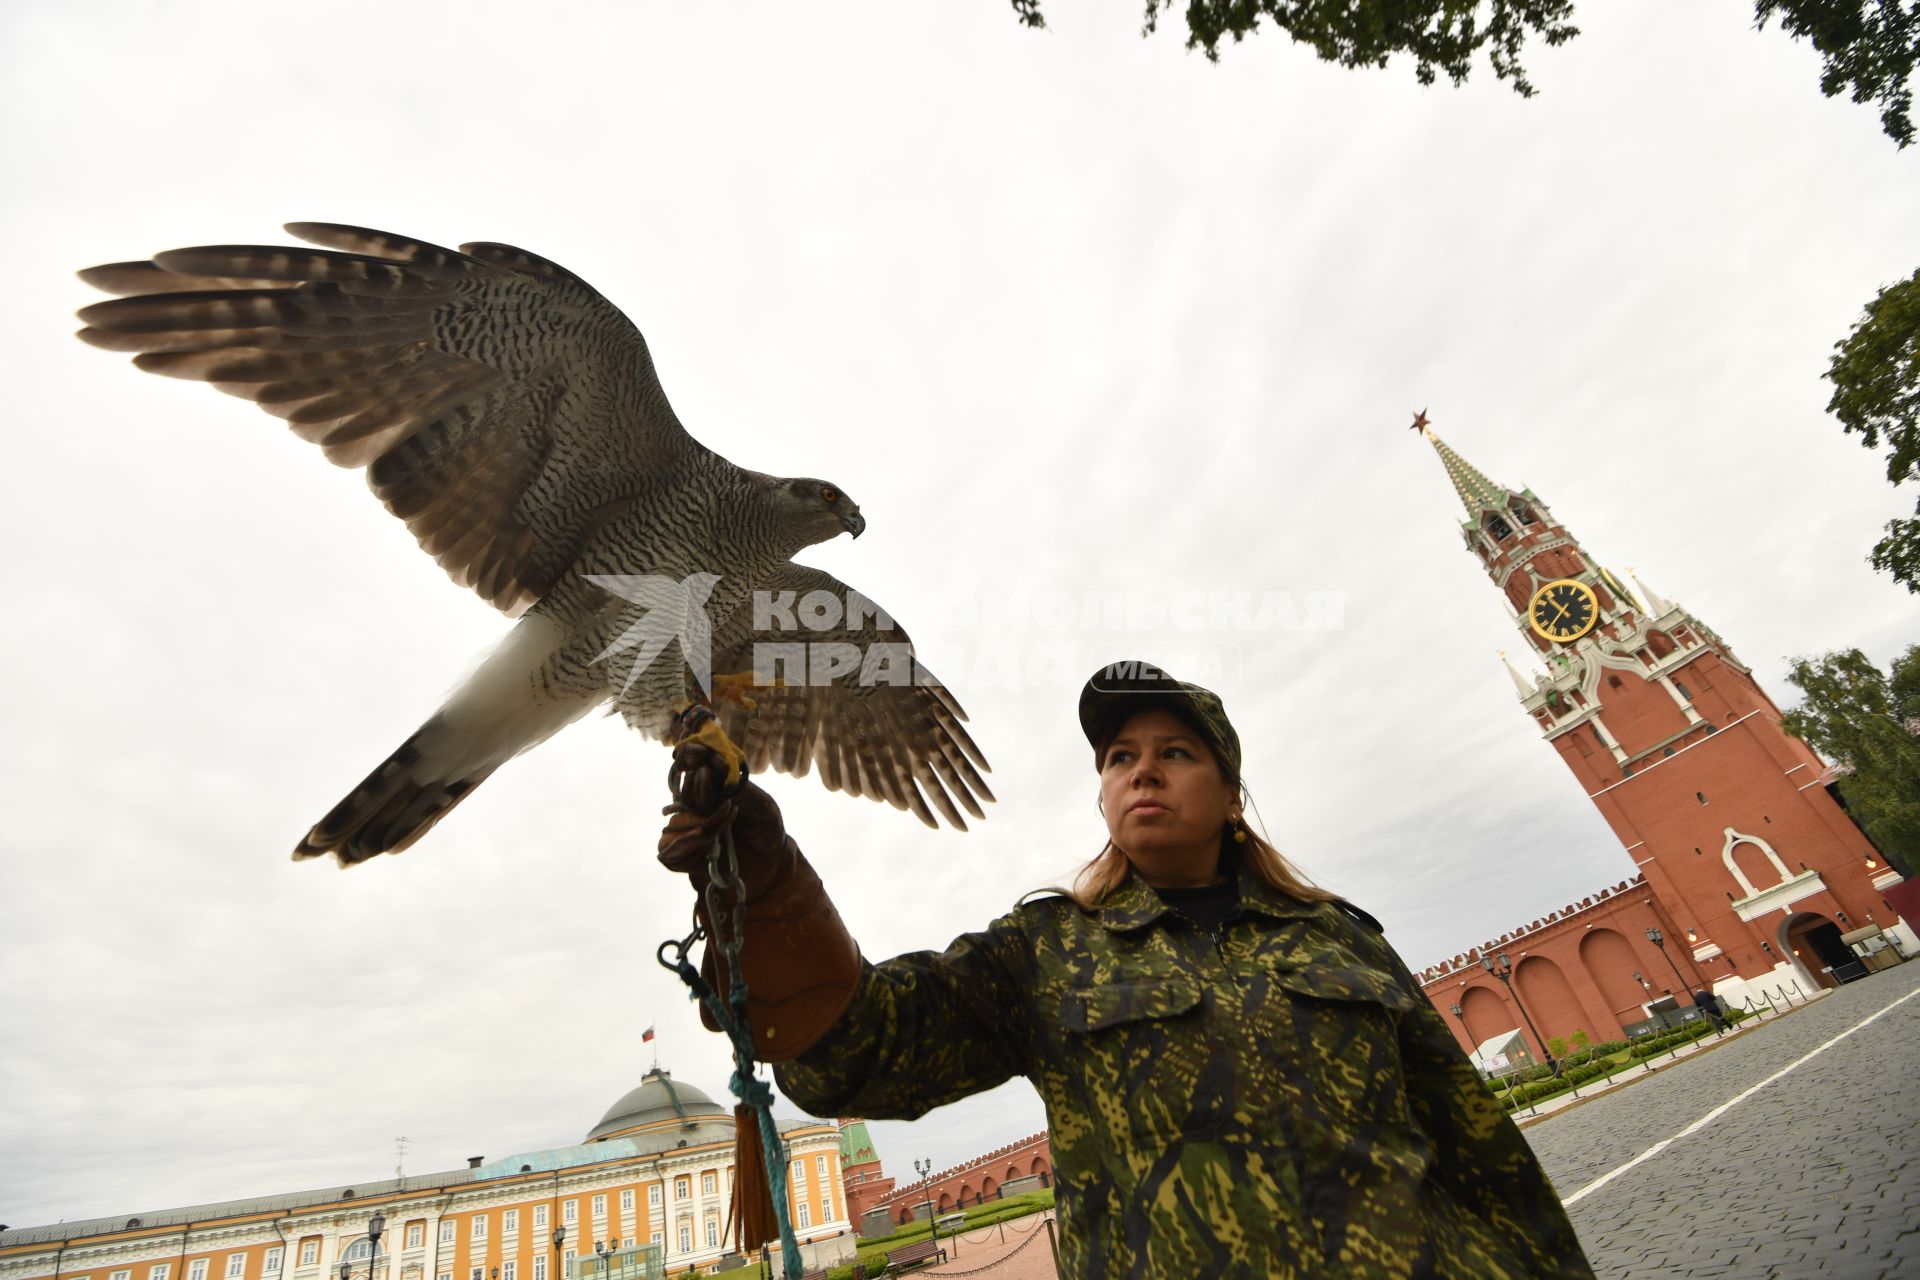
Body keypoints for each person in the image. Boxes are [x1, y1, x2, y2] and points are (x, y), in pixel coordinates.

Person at [658, 662, 1595, 1278]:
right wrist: (764, 874)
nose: (1141, 770)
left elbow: (1482, 1157)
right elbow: (852, 1054)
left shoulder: (1339, 940)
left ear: (1230, 796)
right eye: (1120, 757)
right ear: (1104, 793)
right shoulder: (1044, 953)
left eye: (1174, 753)